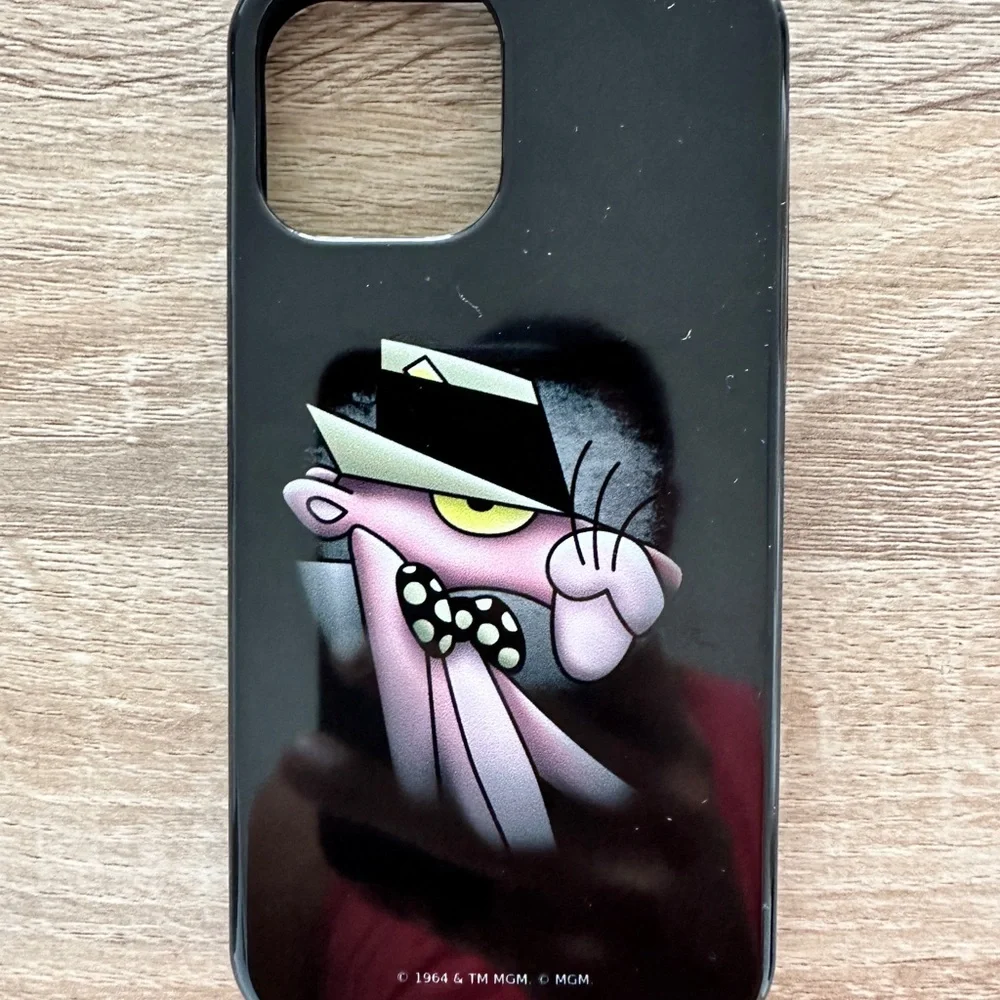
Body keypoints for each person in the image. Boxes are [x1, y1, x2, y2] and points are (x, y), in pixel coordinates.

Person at [246, 324, 765, 1000]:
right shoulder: (313, 815)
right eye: (486, 498)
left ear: (657, 518)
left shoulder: (763, 753)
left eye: (580, 492)